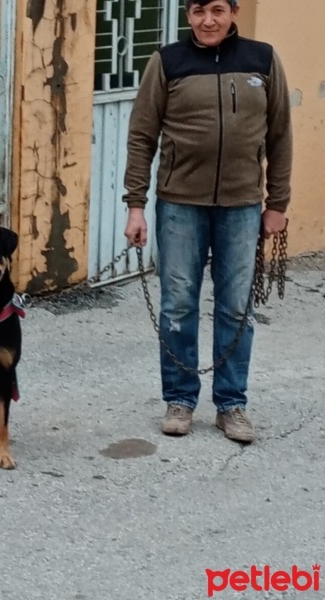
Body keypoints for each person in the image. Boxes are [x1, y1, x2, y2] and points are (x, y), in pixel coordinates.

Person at [123, 0, 292, 443]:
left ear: (234, 11)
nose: (208, 20)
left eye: (218, 9)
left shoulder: (263, 59)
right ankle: (179, 399)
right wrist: (135, 204)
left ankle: (231, 405)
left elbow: (280, 135)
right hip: (179, 205)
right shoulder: (167, 62)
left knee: (237, 308)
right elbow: (142, 135)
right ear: (188, 15)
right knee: (178, 304)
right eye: (198, 11)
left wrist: (277, 203)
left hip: (241, 207)